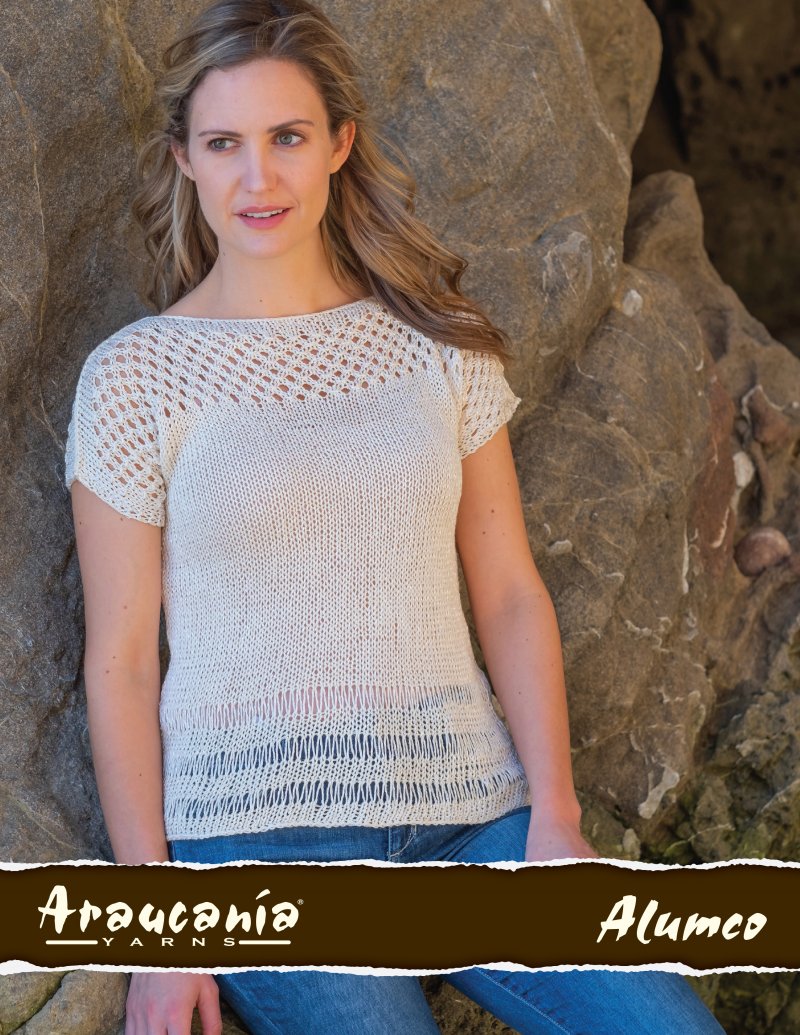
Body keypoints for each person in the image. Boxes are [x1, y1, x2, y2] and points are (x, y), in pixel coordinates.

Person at [63, 1, 727, 1032]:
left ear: (340, 142)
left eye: (287, 137)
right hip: (257, 847)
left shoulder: (438, 347)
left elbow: (509, 592)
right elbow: (119, 661)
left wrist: (554, 817)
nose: (258, 177)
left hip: (470, 817)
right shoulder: (135, 378)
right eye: (224, 143)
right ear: (184, 159)